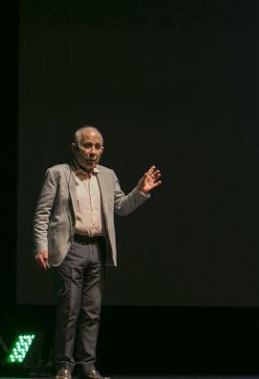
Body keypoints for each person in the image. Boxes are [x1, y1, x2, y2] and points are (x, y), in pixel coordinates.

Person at [33, 126, 162, 379]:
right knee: (69, 309)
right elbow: (42, 213)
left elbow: (121, 208)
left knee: (92, 311)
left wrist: (141, 190)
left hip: (97, 249)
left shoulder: (107, 175)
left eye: (97, 147)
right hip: (69, 248)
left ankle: (88, 366)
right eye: (87, 146)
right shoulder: (58, 174)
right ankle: (64, 366)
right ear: (75, 148)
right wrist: (41, 247)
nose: (92, 152)